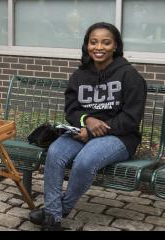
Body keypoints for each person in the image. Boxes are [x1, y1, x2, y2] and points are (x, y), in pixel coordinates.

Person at [29, 22, 147, 231]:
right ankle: (53, 221)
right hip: (82, 132)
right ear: (87, 45)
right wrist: (86, 121)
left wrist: (92, 132)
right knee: (55, 152)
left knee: (85, 160)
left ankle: (56, 211)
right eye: (94, 42)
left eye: (106, 42)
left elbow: (130, 118)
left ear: (115, 46)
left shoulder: (130, 76)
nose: (99, 47)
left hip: (120, 138)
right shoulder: (80, 75)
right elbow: (72, 110)